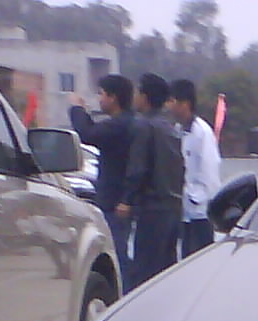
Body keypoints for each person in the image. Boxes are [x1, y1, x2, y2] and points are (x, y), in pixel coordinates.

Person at [69, 75, 136, 289]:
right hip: (118, 200)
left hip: (116, 202)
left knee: (118, 252)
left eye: (101, 94)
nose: (99, 99)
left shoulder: (120, 124)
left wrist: (77, 109)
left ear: (113, 97)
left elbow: (88, 134)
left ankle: (124, 293)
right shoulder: (127, 122)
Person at [121, 73, 185, 287]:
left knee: (144, 273)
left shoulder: (144, 126)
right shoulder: (171, 127)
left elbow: (137, 168)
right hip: (173, 208)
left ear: (145, 97)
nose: (135, 97)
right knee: (166, 272)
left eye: (138, 92)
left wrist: (127, 200)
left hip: (152, 208)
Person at [167, 79, 221, 257]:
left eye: (172, 101)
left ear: (185, 103)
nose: (169, 106)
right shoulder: (178, 129)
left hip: (201, 212)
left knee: (200, 257)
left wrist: (200, 199)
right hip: (185, 211)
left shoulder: (202, 132)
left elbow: (210, 171)